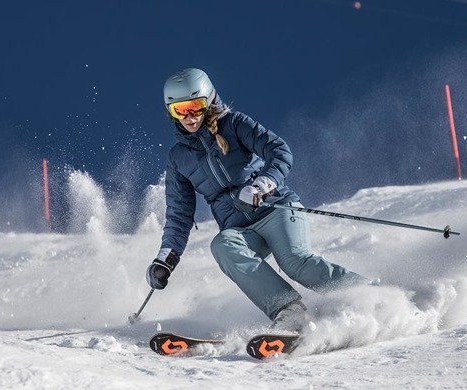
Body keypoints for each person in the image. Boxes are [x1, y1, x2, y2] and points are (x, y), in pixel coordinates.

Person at [146, 68, 367, 332]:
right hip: (240, 229)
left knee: (294, 262)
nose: (189, 117)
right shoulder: (178, 158)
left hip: (275, 209)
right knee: (222, 245)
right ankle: (289, 310)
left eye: (195, 106)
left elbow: (279, 150)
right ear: (170, 112)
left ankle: (368, 294)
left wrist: (261, 186)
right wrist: (166, 258)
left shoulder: (234, 124)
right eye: (180, 110)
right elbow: (179, 214)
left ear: (209, 101)